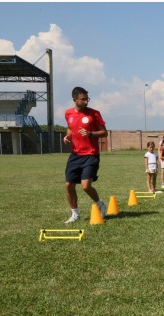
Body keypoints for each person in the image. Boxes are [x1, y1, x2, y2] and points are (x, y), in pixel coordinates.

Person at [63, 86, 107, 224]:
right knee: (69, 184)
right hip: (75, 154)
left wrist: (90, 134)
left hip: (91, 154)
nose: (86, 102)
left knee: (86, 186)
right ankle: (75, 214)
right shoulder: (68, 113)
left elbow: (104, 132)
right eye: (83, 99)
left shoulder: (94, 114)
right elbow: (70, 128)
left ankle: (100, 203)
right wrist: (67, 137)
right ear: (74, 99)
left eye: (87, 99)